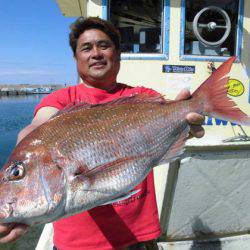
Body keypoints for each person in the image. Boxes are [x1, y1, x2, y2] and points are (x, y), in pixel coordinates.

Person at [0, 17, 204, 249]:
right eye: (86, 48)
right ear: (76, 58)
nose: (95, 53)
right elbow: (36, 127)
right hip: (77, 244)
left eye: (103, 45)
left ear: (117, 54)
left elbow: (168, 132)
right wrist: (23, 163)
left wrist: (186, 122)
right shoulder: (60, 101)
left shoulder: (142, 97)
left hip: (140, 237)